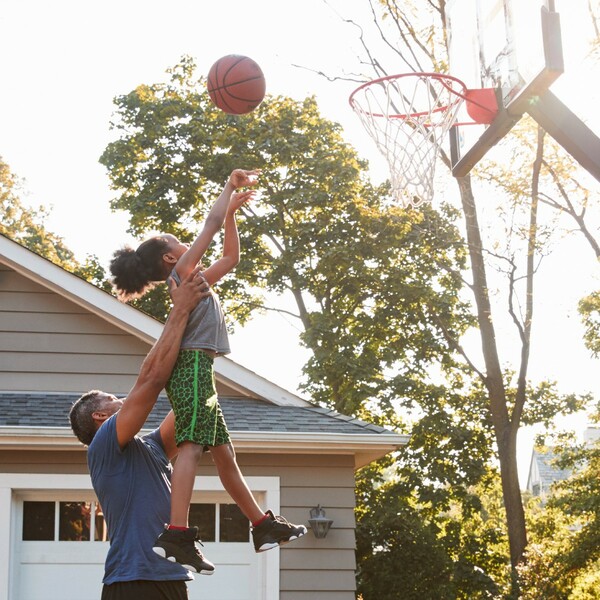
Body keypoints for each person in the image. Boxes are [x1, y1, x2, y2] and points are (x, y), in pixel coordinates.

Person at [108, 169, 307, 575]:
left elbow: (231, 258)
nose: (187, 244)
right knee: (192, 446)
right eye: (179, 243)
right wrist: (229, 187)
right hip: (192, 365)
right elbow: (210, 225)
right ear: (170, 258)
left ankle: (262, 525)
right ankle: (177, 531)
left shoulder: (196, 281)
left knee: (224, 455)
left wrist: (232, 212)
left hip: (203, 368)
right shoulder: (183, 274)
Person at [69, 267, 210, 600]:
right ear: (101, 416)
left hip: (172, 577)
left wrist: (202, 336)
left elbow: (194, 406)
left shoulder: (152, 449)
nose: (122, 398)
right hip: (132, 582)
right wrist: (180, 309)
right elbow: (151, 380)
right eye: (113, 399)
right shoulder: (103, 446)